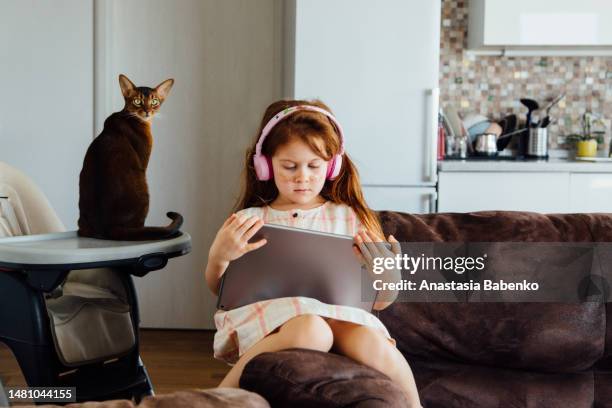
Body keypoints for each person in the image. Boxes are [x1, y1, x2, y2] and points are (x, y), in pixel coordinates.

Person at [204, 99, 421, 407]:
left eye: (314, 166)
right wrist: (218, 256)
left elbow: (380, 302)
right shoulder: (250, 220)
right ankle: (217, 398)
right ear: (264, 166)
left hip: (343, 319)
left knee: (366, 338)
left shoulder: (350, 218)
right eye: (289, 166)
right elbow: (220, 289)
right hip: (277, 320)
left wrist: (388, 276)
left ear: (332, 166)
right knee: (311, 329)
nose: (302, 177)